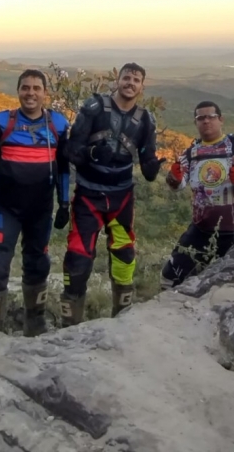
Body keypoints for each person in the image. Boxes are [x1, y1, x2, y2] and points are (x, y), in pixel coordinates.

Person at [61, 63, 162, 326]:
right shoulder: (94, 107)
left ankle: (122, 321)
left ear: (142, 86)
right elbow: (71, 149)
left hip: (121, 198)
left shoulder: (146, 119)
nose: (130, 83)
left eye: (136, 79)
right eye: (126, 77)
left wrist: (153, 166)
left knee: (124, 255)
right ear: (117, 80)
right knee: (78, 258)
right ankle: (70, 327)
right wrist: (92, 154)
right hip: (88, 195)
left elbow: (148, 160)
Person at [0, 69, 70, 336]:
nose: (30, 93)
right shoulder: (1, 122)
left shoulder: (58, 125)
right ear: (17, 91)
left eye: (36, 88)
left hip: (40, 211)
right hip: (6, 209)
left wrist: (64, 204)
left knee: (38, 264)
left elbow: (63, 168)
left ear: (44, 93)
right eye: (25, 88)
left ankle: (35, 323)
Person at [161, 101, 234, 288]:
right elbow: (178, 185)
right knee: (171, 277)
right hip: (200, 230)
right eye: (200, 118)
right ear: (196, 123)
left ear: (221, 119)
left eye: (211, 116)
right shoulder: (191, 153)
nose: (206, 121)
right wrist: (173, 178)